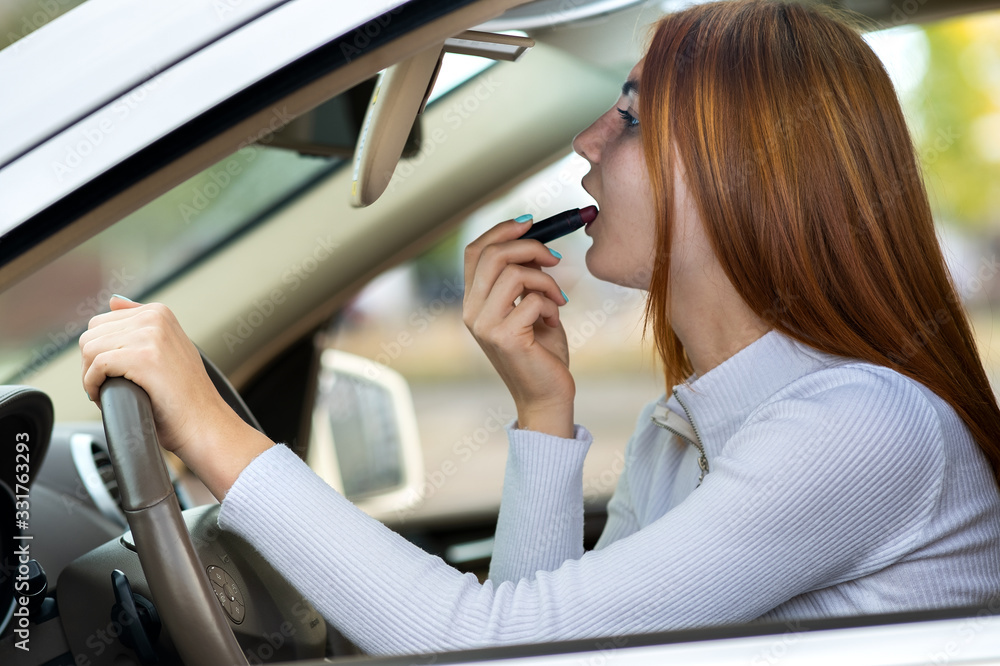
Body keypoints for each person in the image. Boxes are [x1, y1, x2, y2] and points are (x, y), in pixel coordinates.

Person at [81, 0, 1000, 656]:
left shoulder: (862, 429)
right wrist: (541, 406)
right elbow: (532, 645)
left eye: (632, 117)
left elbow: (483, 643)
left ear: (746, 173)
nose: (588, 142)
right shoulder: (678, 435)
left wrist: (213, 433)